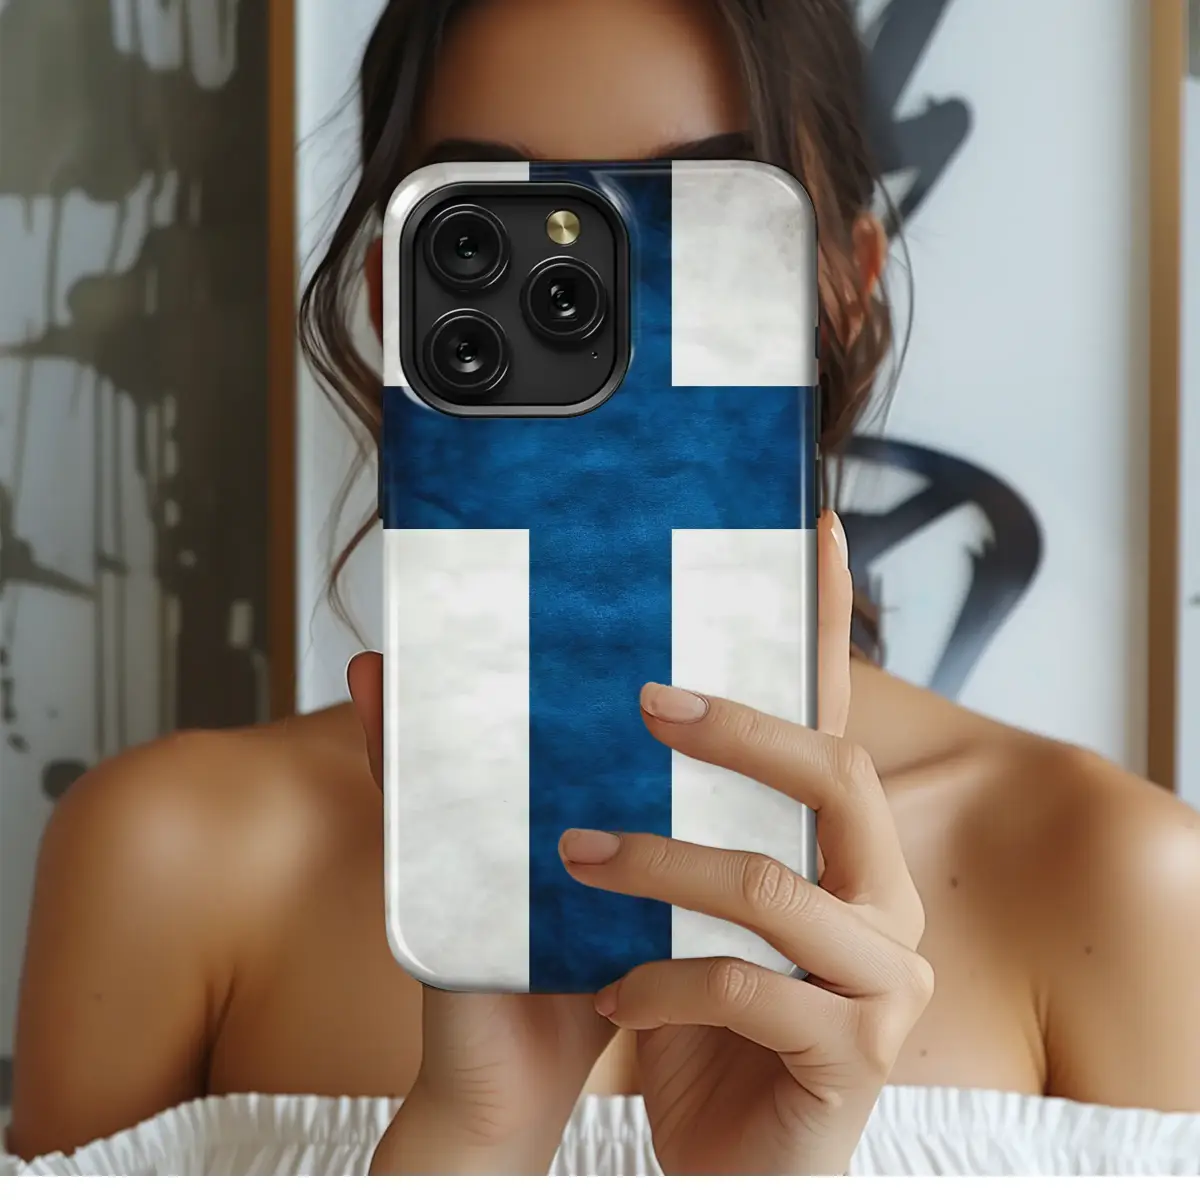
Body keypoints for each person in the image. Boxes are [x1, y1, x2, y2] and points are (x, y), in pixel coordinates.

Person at [6, 0, 1200, 1176]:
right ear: (392, 300)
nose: (605, 307)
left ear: (846, 289)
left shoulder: (1114, 881)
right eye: (489, 231)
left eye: (703, 216)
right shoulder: (171, 861)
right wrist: (474, 1142)